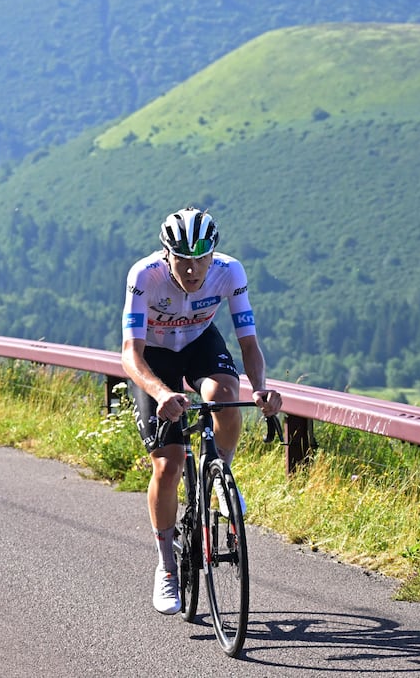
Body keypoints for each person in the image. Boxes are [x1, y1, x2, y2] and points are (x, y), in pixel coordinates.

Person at [120, 206, 283, 615]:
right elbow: (130, 354)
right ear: (166, 255)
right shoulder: (144, 277)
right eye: (183, 260)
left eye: (201, 260)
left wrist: (261, 389)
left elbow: (248, 344)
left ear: (214, 255)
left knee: (226, 396)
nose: (193, 270)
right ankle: (167, 568)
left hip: (199, 344)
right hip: (154, 358)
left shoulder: (231, 272)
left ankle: (220, 478)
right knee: (168, 465)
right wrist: (160, 393)